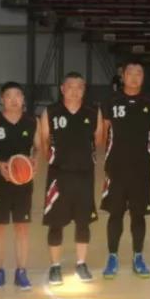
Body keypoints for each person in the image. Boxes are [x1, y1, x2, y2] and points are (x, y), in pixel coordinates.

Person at [36, 72, 102, 286]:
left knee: (83, 222)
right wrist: (55, 158)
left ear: (84, 90)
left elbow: (98, 139)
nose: (74, 91)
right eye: (70, 86)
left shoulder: (93, 112)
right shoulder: (51, 112)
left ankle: (81, 263)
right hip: (58, 175)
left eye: (79, 87)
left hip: (84, 174)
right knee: (56, 222)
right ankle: (55, 266)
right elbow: (44, 141)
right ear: (62, 89)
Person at [99, 59, 150, 279]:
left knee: (138, 215)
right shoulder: (110, 101)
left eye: (138, 74)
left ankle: (138, 256)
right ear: (123, 76)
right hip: (115, 168)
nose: (134, 78)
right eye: (130, 73)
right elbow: (102, 134)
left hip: (141, 168)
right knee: (115, 214)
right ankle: (112, 257)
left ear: (143, 77)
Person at [0, 81, 38, 292]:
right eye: (9, 96)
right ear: (2, 99)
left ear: (23, 99)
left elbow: (39, 148)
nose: (14, 100)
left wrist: (35, 161)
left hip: (24, 182)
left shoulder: (32, 121)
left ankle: (21, 273)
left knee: (22, 227)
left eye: (18, 95)